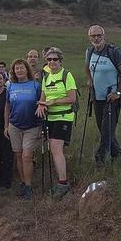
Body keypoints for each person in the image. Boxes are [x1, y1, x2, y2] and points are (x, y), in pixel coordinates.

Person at [36, 47, 78, 199]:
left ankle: (63, 183)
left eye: (55, 59)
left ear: (60, 61)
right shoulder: (46, 77)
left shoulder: (67, 75)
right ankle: (61, 180)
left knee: (55, 148)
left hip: (63, 117)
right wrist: (41, 105)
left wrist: (53, 101)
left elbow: (72, 98)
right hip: (50, 118)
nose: (52, 62)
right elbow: (43, 96)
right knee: (55, 149)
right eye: (49, 59)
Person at [84, 25, 121, 165]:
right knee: (103, 128)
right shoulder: (90, 51)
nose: (96, 38)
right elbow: (87, 68)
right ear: (89, 37)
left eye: (99, 35)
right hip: (97, 98)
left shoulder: (114, 52)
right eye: (93, 36)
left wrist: (118, 93)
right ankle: (119, 157)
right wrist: (90, 80)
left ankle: (100, 159)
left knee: (106, 130)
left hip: (111, 99)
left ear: (104, 36)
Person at [5, 58, 41, 199]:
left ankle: (28, 186)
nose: (19, 70)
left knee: (27, 156)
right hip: (14, 126)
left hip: (31, 126)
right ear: (13, 71)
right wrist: (6, 125)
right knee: (19, 155)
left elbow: (41, 104)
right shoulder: (11, 86)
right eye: (16, 68)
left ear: (27, 69)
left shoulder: (35, 85)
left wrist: (41, 125)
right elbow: (7, 107)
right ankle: (22, 183)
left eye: (21, 67)